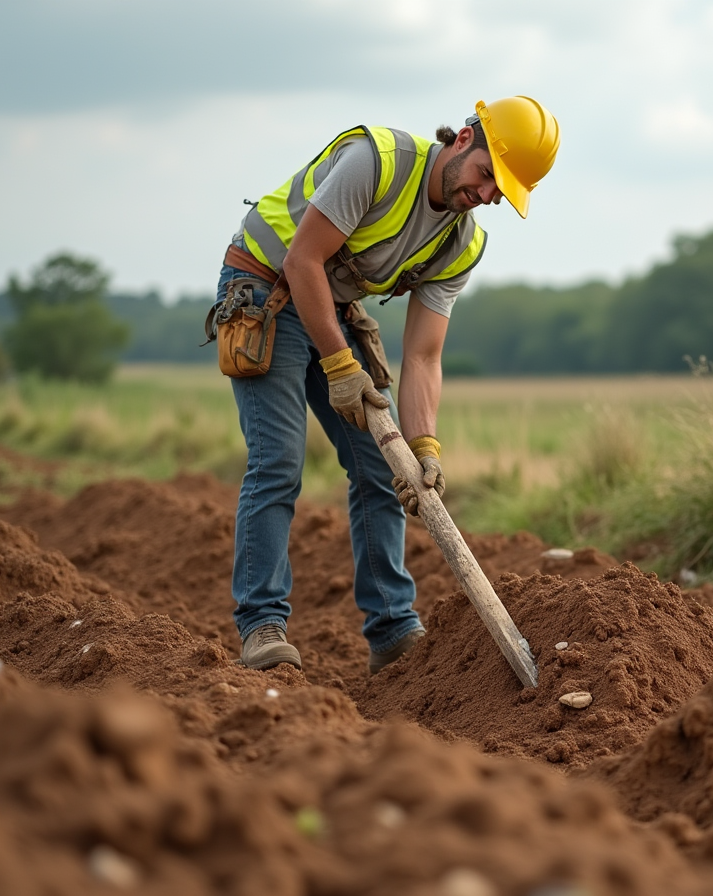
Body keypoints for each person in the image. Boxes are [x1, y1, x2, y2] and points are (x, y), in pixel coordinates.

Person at [213, 97, 561, 673]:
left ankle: (394, 631)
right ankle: (262, 627)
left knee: (383, 466)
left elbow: (424, 355)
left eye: (502, 192)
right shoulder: (376, 163)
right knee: (278, 460)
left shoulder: (462, 244)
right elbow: (302, 261)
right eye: (485, 176)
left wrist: (422, 446)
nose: (486, 195)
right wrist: (341, 368)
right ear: (463, 139)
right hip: (264, 287)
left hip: (332, 306)